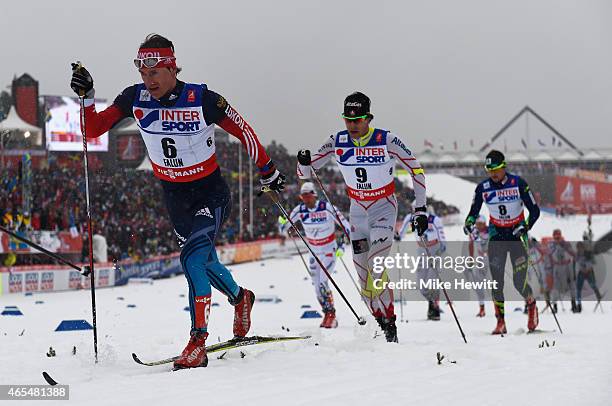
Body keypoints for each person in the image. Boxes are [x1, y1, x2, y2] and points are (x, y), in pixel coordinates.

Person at [69, 34, 286, 370]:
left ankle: (197, 342)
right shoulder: (134, 98)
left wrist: (268, 171)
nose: (148, 80)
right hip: (175, 197)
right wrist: (86, 98)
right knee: (204, 260)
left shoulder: (201, 98)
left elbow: (244, 131)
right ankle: (241, 297)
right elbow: (93, 129)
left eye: (155, 72)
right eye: (143, 72)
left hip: (210, 193)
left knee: (192, 261)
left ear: (171, 66)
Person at [296, 91, 428, 342]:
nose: (353, 125)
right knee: (363, 276)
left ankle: (390, 323)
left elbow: (417, 170)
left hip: (383, 208)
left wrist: (420, 209)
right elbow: (307, 173)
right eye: (348, 120)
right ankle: (380, 322)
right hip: (357, 212)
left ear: (369, 118)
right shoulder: (336, 140)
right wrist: (303, 161)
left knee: (376, 267)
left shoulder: (386, 139)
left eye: (358, 120)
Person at [464, 150, 540, 334]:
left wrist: (525, 227)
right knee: (496, 282)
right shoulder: (483, 187)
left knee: (518, 281)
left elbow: (535, 211)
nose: (493, 174)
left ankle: (531, 306)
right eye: (489, 170)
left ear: (504, 167)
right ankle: (501, 322)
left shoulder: (518, 183)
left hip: (516, 235)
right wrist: (469, 223)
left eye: (496, 170)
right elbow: (473, 213)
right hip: (497, 235)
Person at [279, 182, 351, 328]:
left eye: (309, 195)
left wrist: (342, 245)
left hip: (329, 250)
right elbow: (284, 228)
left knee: (324, 282)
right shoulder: (299, 210)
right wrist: (283, 224)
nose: (306, 199)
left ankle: (332, 315)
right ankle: (326, 313)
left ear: (314, 195)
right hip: (313, 252)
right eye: (303, 196)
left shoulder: (328, 208)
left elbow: (347, 227)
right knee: (317, 286)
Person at [398, 205, 446, 321]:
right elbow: (401, 233)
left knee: (431, 280)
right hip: (421, 250)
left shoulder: (434, 220)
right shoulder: (410, 218)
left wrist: (442, 249)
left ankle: (434, 308)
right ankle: (432, 302)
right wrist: (397, 236)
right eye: (414, 209)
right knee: (421, 285)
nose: (415, 212)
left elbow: (442, 237)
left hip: (434, 249)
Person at [546, 229, 577, 312]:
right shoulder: (551, 245)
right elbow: (548, 256)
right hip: (556, 266)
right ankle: (555, 306)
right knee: (555, 286)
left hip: (567, 265)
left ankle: (573, 304)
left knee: (571, 284)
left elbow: (573, 253)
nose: (557, 237)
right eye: (555, 236)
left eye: (558, 235)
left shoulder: (566, 244)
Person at [467, 215, 489, 318]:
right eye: (477, 224)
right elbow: (471, 245)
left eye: (481, 224)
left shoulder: (490, 230)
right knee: (478, 284)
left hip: (492, 259)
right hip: (480, 260)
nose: (479, 226)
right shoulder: (474, 232)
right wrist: (470, 259)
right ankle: (482, 308)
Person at [575, 241, 602, 312]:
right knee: (578, 288)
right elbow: (577, 262)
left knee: (592, 284)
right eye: (578, 248)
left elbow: (594, 262)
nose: (579, 249)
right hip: (581, 272)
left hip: (589, 272)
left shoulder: (588, 253)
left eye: (580, 248)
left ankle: (598, 295)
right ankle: (579, 305)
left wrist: (588, 267)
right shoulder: (577, 254)